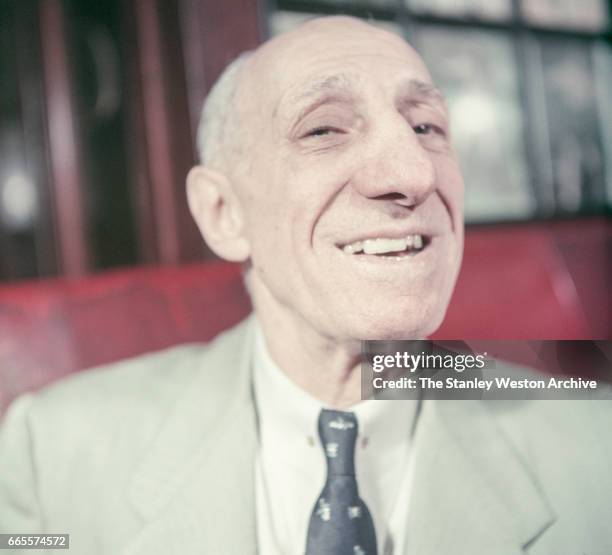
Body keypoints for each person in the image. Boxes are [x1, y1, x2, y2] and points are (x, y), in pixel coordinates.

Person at [1, 16, 611, 555]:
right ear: (223, 213)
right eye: (323, 130)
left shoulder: (596, 453)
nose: (413, 173)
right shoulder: (51, 455)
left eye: (426, 126)